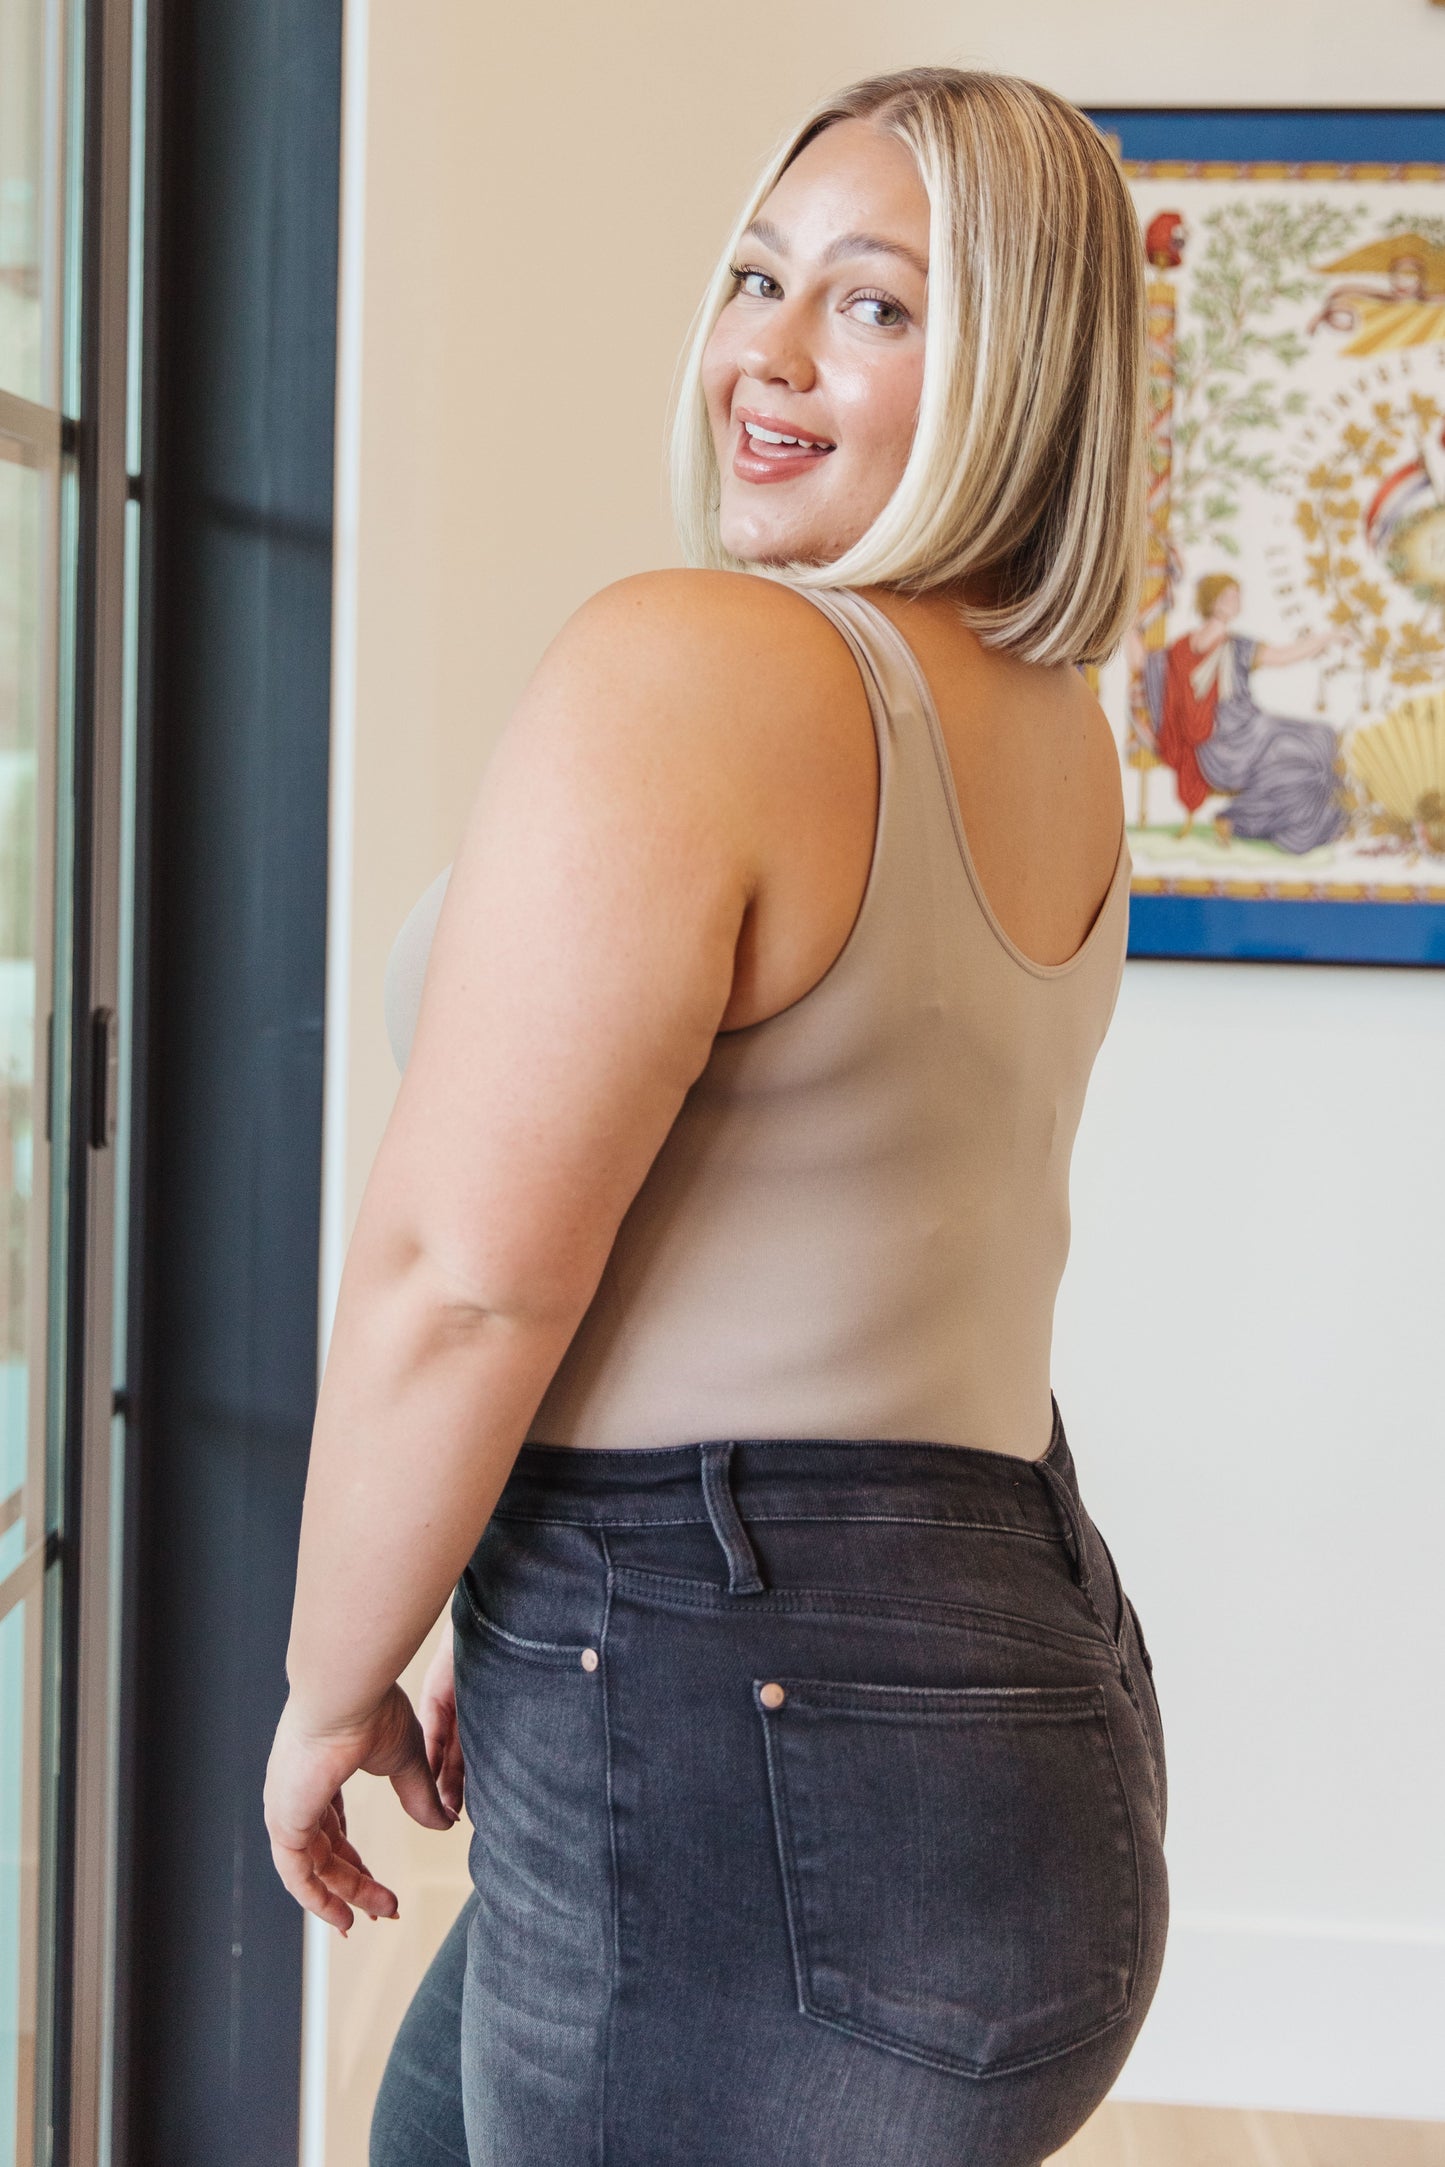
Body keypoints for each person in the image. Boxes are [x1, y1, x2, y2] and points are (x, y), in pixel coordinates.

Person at [264, 66, 1169, 2167]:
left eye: (874, 305)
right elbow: (774, 1227)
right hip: (1008, 1708)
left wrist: (330, 1679)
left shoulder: (699, 663)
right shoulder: (1048, 729)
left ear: (1016, 369)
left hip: (757, 1714)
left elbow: (464, 1278)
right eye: (759, 277)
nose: (768, 351)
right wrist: (555, 1610)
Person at [1130, 574, 1349, 853]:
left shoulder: (1227, 646)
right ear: (1213, 601)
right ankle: (1238, 820)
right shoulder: (1198, 649)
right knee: (1316, 744)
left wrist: (1327, 638)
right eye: (1229, 595)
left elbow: (1284, 656)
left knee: (1319, 742)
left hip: (1245, 733)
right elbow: (1144, 664)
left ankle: (1241, 822)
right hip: (1230, 745)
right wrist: (1126, 624)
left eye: (1237, 595)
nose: (1236, 601)